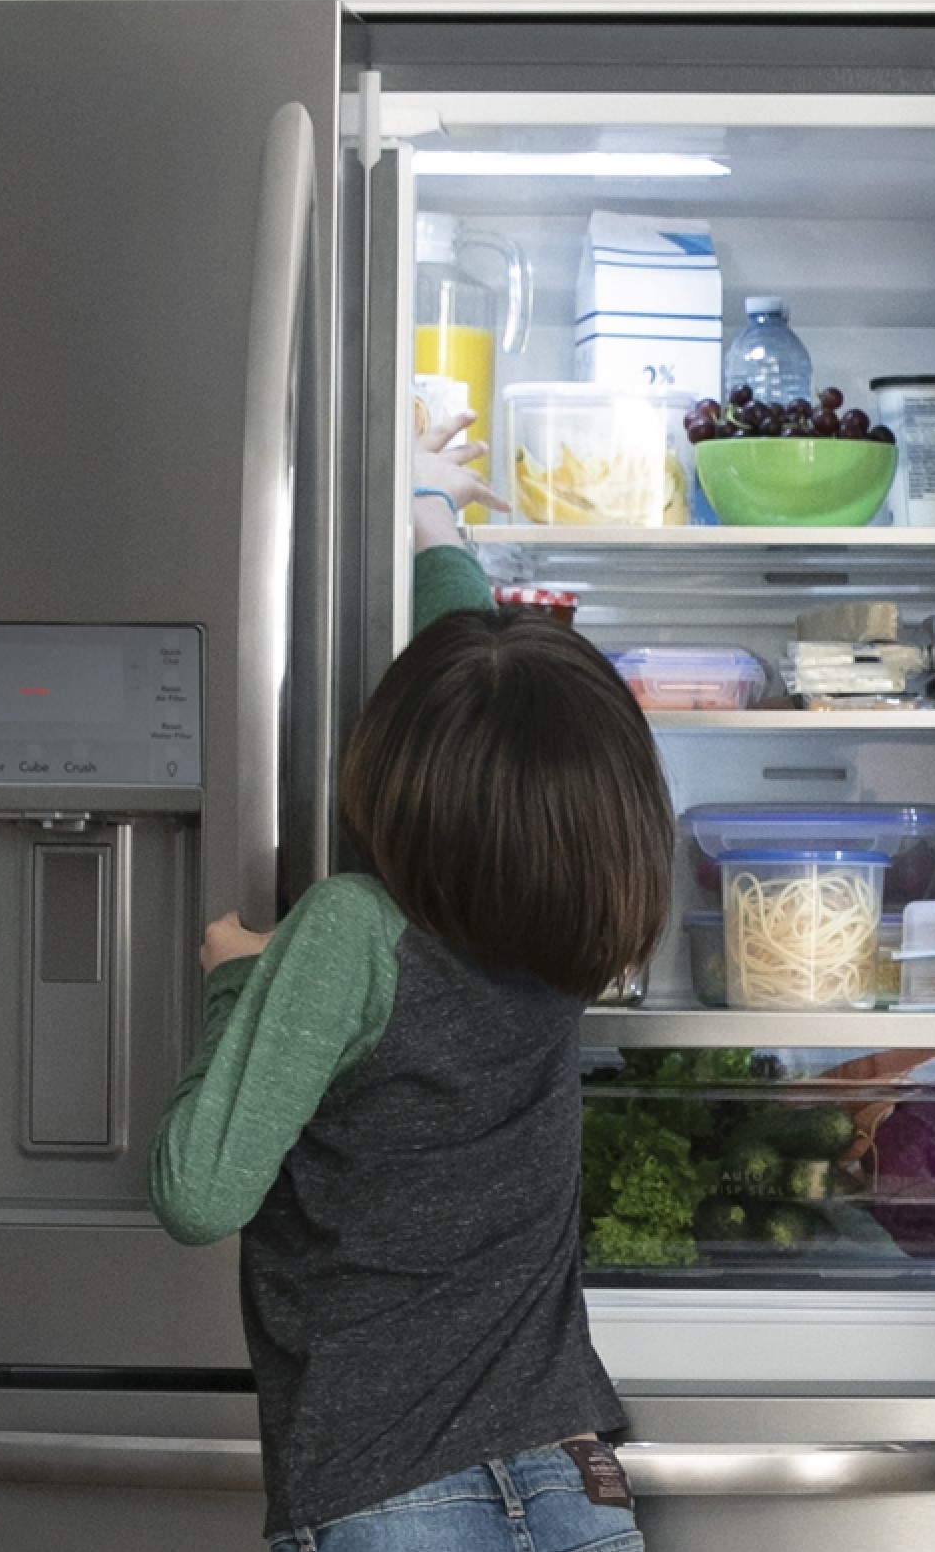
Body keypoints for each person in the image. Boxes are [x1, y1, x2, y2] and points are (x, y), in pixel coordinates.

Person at [150, 410, 665, 1552]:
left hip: (387, 1501)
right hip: (572, 1481)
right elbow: (480, 686)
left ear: (402, 771)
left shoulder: (348, 933)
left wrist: (243, 978)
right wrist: (433, 512)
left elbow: (199, 1194)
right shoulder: (568, 930)